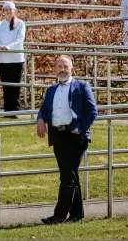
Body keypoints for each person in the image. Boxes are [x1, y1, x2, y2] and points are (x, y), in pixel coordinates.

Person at [37, 55, 97, 224]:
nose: (62, 70)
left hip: (75, 136)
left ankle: (59, 215)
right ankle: (77, 214)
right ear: (55, 70)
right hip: (57, 135)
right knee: (70, 175)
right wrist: (40, 119)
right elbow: (43, 110)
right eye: (59, 67)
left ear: (72, 69)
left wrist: (80, 129)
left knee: (67, 177)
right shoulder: (51, 90)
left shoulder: (81, 86)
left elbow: (93, 112)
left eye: (66, 66)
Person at [0, 1, 26, 116]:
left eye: (10, 9)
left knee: (15, 86)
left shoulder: (21, 23)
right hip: (2, 60)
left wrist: (8, 47)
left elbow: (19, 40)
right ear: (3, 11)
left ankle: (15, 110)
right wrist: (0, 47)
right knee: (6, 86)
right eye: (6, 9)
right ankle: (7, 110)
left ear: (14, 11)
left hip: (16, 59)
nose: (8, 11)